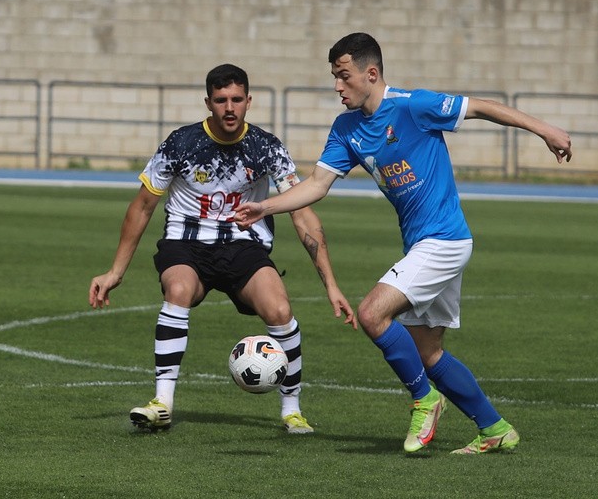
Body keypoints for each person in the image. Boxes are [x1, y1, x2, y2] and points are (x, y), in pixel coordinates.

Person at [235, 32, 572, 454]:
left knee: (372, 314)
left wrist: (545, 130)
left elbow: (482, 107)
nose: (337, 87)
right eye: (334, 78)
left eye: (344, 77)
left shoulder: (414, 105)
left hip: (444, 240)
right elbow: (318, 184)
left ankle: (425, 400)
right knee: (427, 351)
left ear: (370, 73)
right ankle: (495, 428)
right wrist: (265, 208)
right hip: (423, 246)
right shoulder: (347, 129)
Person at [89, 63, 355, 434]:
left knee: (279, 308)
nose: (229, 108)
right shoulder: (180, 143)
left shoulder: (266, 147)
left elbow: (303, 215)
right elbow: (142, 207)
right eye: (220, 100)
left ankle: (292, 411)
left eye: (236, 100)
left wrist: (330, 284)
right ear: (208, 103)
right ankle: (162, 402)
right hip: (186, 245)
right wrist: (115, 271)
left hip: (244, 247)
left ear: (248, 101)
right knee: (179, 289)